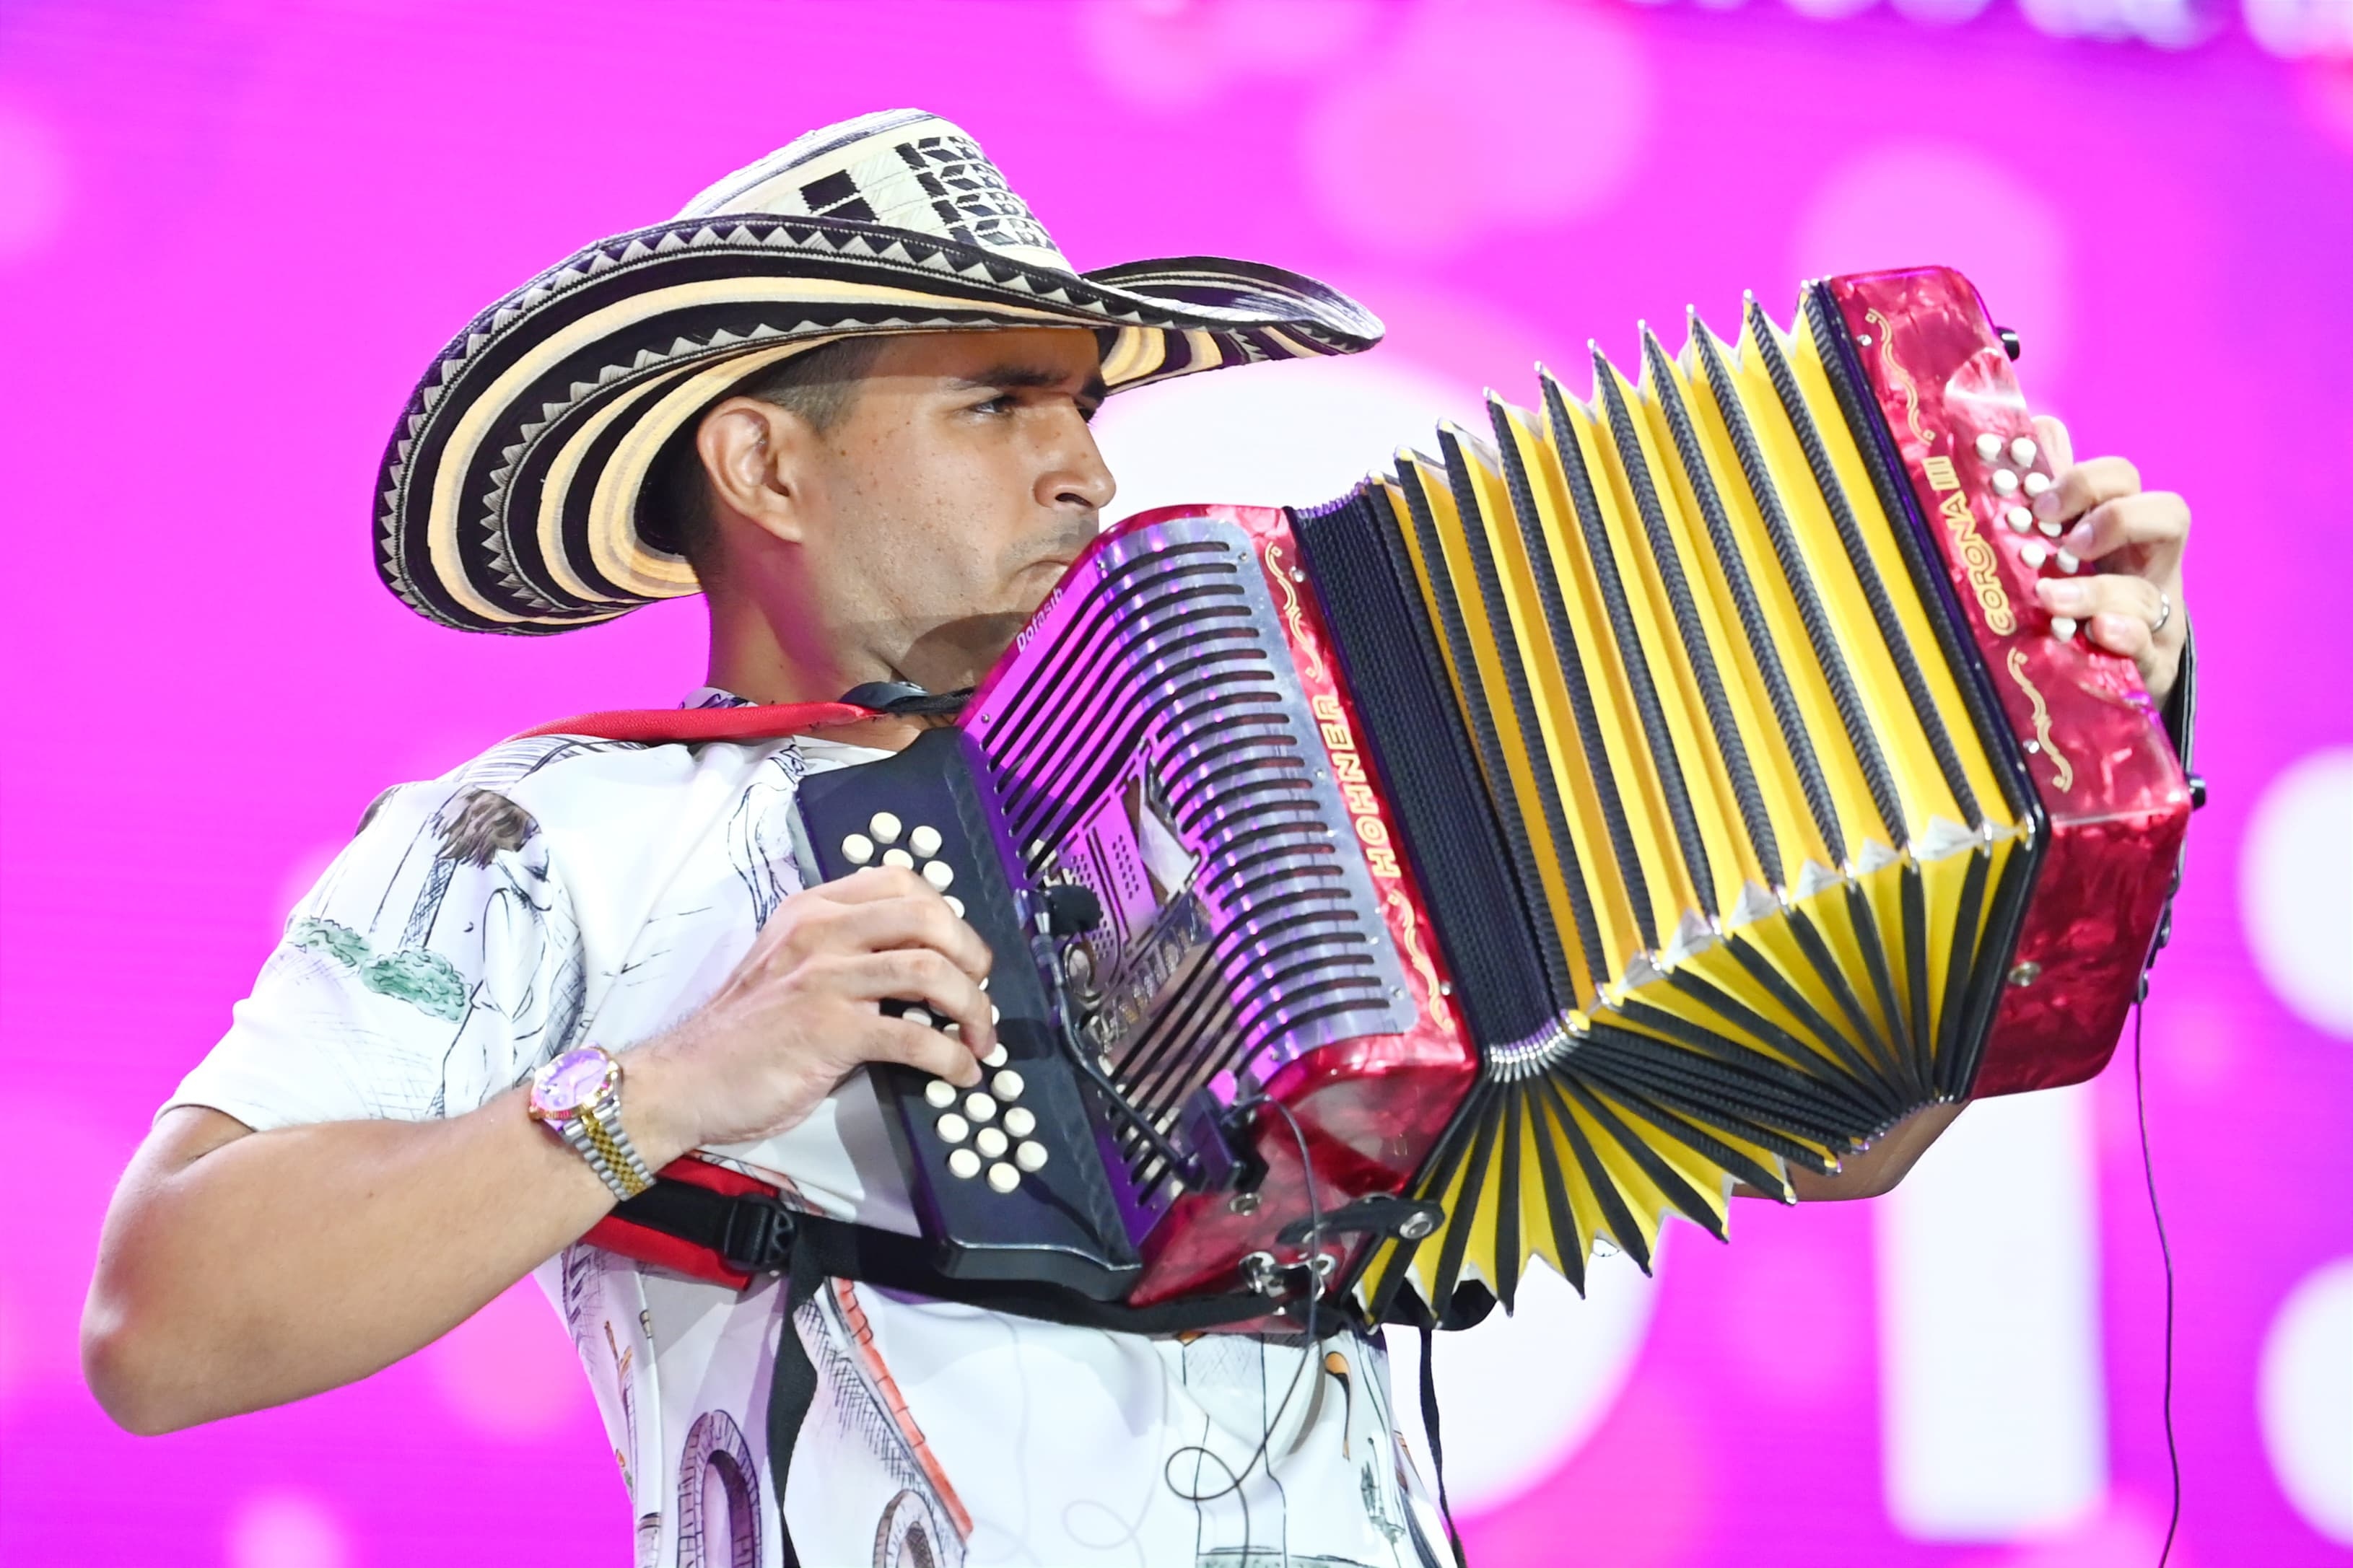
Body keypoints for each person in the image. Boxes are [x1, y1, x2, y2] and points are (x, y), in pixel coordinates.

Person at [81, 110, 2195, 1568]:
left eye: (1091, 406)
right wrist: (674, 1086)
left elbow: (1849, 1134)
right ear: (765, 463)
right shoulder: (548, 830)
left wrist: (2078, 706)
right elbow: (163, 1327)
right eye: (1002, 400)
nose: (1085, 467)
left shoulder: (1261, 800)